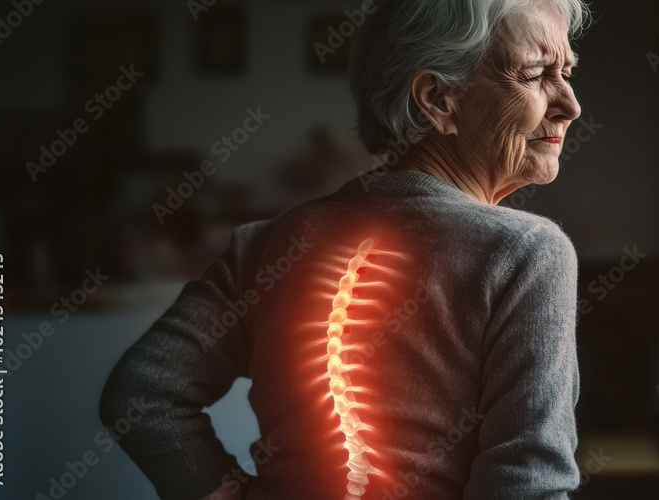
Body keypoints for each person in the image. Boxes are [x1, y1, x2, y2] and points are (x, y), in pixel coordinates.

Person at [99, 0, 590, 498]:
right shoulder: (528, 254)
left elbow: (142, 396)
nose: (570, 104)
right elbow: (528, 485)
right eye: (535, 75)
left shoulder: (267, 244)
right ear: (438, 99)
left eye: (567, 73)